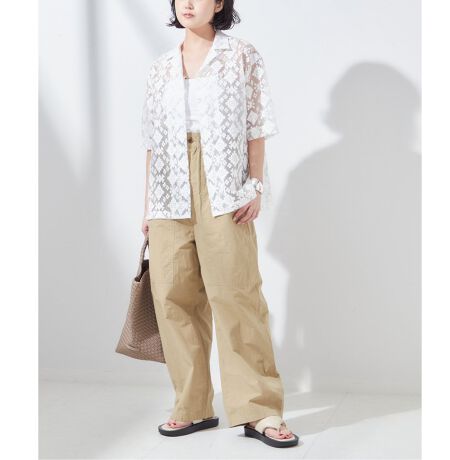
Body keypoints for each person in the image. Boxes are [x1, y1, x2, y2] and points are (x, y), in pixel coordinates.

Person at [140, 0, 299, 448]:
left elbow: (256, 124)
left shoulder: (241, 55)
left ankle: (259, 409)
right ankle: (192, 406)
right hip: (168, 187)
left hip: (224, 185)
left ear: (220, 3)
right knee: (173, 296)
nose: (188, 3)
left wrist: (255, 185)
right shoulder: (160, 68)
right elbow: (151, 141)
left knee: (236, 294)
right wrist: (148, 205)